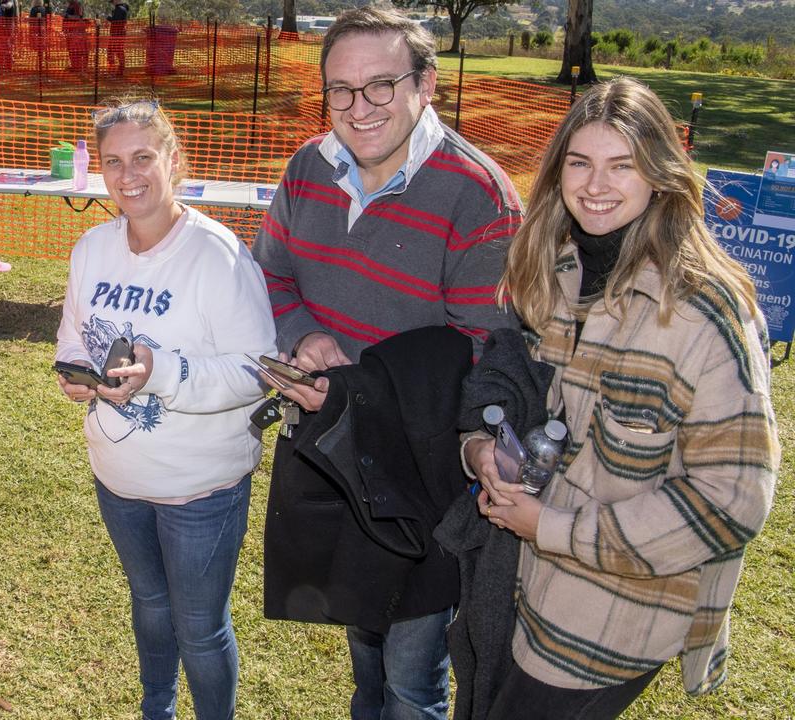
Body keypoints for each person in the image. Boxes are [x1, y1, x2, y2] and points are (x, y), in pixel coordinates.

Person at [463, 77, 779, 720]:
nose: (595, 185)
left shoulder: (700, 311)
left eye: (621, 165)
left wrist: (550, 526)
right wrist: (480, 446)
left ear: (662, 174)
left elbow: (734, 499)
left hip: (612, 616)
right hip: (527, 585)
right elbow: (524, 389)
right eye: (579, 163)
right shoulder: (561, 271)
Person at [250, 6, 522, 720]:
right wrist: (305, 335)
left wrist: (360, 389)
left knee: (410, 676)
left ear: (425, 85)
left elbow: (487, 350)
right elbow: (270, 274)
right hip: (334, 450)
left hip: (422, 472)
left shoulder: (478, 196)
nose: (358, 107)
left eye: (380, 86)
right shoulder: (308, 168)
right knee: (366, 647)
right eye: (340, 89)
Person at [55, 98, 276, 720]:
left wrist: (162, 372)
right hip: (119, 478)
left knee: (199, 626)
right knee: (150, 604)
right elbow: (73, 333)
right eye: (115, 161)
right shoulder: (92, 248)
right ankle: (158, 708)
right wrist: (75, 372)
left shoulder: (219, 255)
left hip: (200, 487)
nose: (129, 175)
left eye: (144, 157)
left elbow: (257, 369)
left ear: (174, 161)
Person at [62, 0, 86, 72]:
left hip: (76, 32)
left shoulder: (77, 4)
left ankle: (78, 68)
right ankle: (74, 67)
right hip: (70, 32)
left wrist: (67, 16)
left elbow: (78, 17)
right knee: (71, 50)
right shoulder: (70, 5)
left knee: (76, 50)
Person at [106, 0, 128, 75]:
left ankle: (117, 70)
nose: (112, 3)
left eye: (112, 1)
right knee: (114, 51)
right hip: (117, 33)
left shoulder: (120, 9)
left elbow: (116, 21)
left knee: (116, 52)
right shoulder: (120, 8)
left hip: (117, 34)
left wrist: (109, 18)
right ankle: (116, 70)